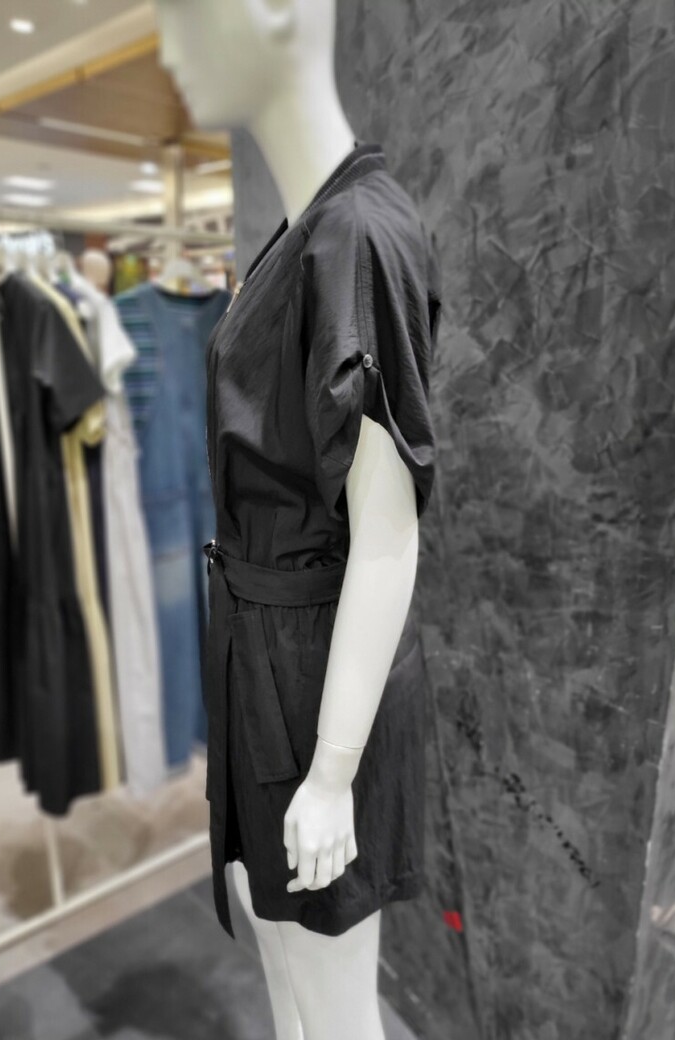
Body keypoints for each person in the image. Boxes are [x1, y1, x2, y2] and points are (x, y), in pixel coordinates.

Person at [156, 2, 441, 1038]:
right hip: (263, 651)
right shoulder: (306, 231)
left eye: (191, 16)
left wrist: (331, 772)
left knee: (331, 997)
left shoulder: (357, 236)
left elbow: (390, 534)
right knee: (279, 952)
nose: (170, 49)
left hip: (313, 673)